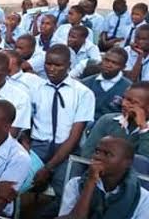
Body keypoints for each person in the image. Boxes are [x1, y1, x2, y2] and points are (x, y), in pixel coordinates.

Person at [26, 44, 95, 197]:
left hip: (67, 149)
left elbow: (75, 136)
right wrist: (26, 148)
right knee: (18, 182)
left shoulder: (83, 93)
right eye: (48, 64)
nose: (51, 69)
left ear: (69, 65)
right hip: (38, 146)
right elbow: (26, 123)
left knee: (66, 189)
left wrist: (48, 167)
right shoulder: (35, 89)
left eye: (58, 65)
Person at [82, 82, 149, 158]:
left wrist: (143, 129)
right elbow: (87, 153)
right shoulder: (107, 121)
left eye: (132, 102)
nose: (123, 104)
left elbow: (145, 160)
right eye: (123, 98)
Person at [81, 47, 131, 121]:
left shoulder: (129, 88)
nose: (108, 65)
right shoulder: (85, 83)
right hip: (85, 123)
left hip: (112, 125)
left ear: (123, 67)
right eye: (106, 60)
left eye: (114, 63)